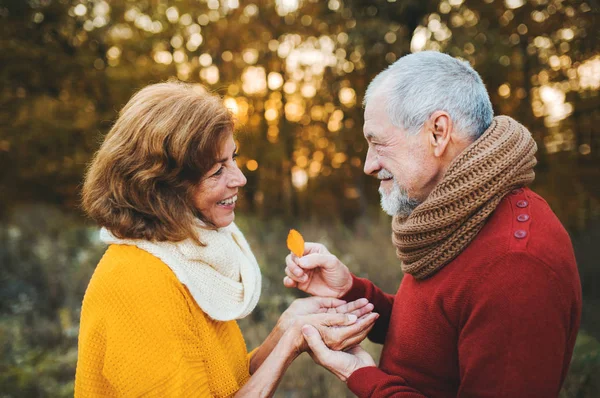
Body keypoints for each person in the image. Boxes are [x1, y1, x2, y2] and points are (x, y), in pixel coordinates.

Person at [284, 51, 582, 397]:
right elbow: (435, 333)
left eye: (377, 142)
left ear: (438, 133)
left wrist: (364, 376)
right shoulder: (454, 218)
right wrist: (350, 291)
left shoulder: (515, 266)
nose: (368, 165)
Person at [75, 81, 379, 397]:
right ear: (165, 188)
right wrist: (291, 344)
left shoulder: (184, 255)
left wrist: (287, 328)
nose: (239, 178)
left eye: (232, 158)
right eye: (218, 170)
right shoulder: (137, 282)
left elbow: (223, 384)